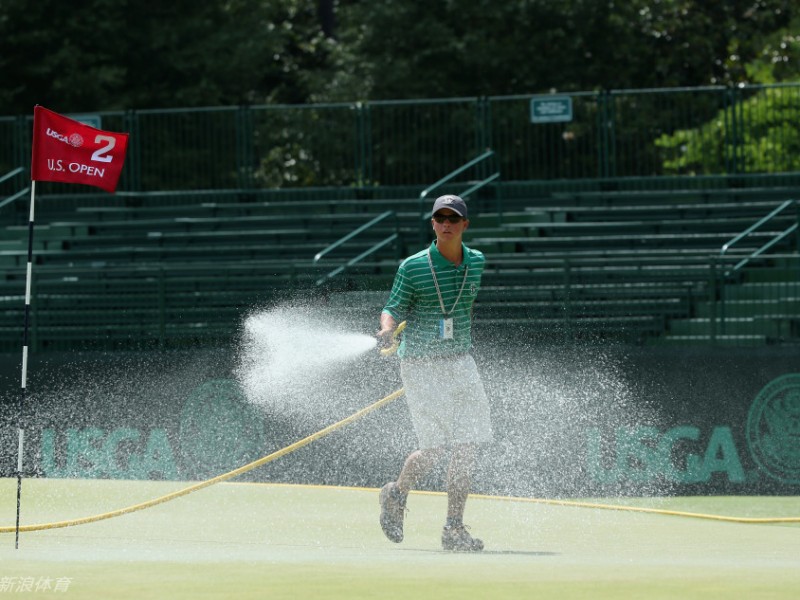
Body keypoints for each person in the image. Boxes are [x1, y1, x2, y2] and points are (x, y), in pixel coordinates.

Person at [377, 194, 493, 552]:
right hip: (421, 366)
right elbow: (392, 308)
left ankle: (453, 529)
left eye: (453, 219)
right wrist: (386, 329)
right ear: (432, 224)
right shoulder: (412, 266)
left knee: (467, 446)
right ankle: (395, 494)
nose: (446, 224)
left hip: (460, 362)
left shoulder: (476, 262)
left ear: (464, 226)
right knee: (434, 450)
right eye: (440, 218)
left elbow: (465, 305)